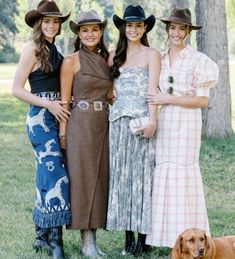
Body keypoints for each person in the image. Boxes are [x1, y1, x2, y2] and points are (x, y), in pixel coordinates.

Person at [145, 8, 219, 249]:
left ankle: (194, 239)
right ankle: (169, 240)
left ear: (188, 32)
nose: (177, 33)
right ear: (167, 30)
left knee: (183, 175)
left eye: (182, 29)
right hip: (164, 123)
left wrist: (169, 99)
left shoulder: (199, 60)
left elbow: (202, 100)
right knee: (164, 173)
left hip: (186, 124)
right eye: (173, 28)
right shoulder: (160, 58)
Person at [11, 1, 71, 258]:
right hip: (40, 119)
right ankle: (56, 242)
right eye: (47, 21)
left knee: (45, 176)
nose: (51, 25)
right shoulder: (32, 48)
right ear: (38, 23)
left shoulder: (53, 48)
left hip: (57, 115)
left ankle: (41, 235)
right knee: (57, 175)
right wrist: (47, 103)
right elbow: (16, 89)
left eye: (56, 21)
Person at [106, 5, 160, 257]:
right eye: (129, 25)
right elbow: (107, 90)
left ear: (145, 27)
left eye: (138, 25)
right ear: (123, 28)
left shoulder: (152, 54)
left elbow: (153, 93)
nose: (133, 29)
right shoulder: (113, 53)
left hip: (141, 124)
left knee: (142, 180)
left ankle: (144, 238)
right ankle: (128, 236)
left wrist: (153, 121)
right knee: (123, 180)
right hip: (117, 124)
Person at [59, 10, 113, 258]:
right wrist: (63, 134)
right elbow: (64, 100)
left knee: (100, 179)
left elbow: (112, 94)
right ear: (78, 34)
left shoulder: (108, 59)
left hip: (103, 123)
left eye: (94, 29)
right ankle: (86, 240)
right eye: (84, 30)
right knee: (82, 179)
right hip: (79, 125)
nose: (90, 34)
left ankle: (94, 238)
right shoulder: (71, 61)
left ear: (100, 32)